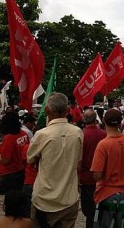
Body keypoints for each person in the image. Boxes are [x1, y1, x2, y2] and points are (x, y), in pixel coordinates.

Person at [27, 92, 84, 228]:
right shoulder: (77, 133)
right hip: (68, 199)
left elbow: (30, 159)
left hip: (43, 199)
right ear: (68, 110)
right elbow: (79, 162)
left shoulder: (41, 134)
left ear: (47, 110)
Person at [91, 109, 124, 228]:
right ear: (120, 124)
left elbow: (97, 175)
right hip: (123, 193)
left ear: (103, 122)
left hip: (106, 194)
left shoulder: (103, 144)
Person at [80, 109, 106, 228]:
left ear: (84, 120)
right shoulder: (104, 134)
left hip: (86, 178)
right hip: (102, 177)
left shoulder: (82, 135)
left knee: (89, 212)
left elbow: (79, 158)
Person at [0, 111, 29, 194]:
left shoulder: (9, 138)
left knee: (10, 199)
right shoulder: (24, 134)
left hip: (10, 173)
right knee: (18, 196)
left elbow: (4, 160)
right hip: (21, 170)